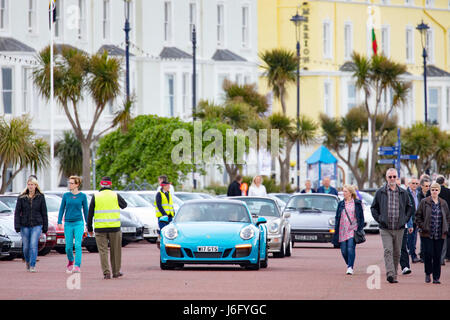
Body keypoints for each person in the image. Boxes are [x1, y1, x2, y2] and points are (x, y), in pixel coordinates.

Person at [371, 168, 413, 284]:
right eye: (390, 177)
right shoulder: (380, 192)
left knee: (397, 252)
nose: (392, 179)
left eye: (394, 176)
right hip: (385, 228)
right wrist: (380, 219)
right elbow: (373, 207)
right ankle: (390, 273)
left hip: (399, 228)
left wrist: (405, 219)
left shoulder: (403, 192)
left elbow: (410, 208)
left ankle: (394, 274)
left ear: (397, 177)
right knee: (388, 250)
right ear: (386, 178)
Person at [87, 177, 127, 279]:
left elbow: (90, 213)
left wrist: (89, 228)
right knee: (116, 251)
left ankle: (106, 272)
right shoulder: (115, 195)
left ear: (101, 184)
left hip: (100, 229)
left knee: (103, 251)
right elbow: (124, 205)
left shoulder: (96, 196)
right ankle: (116, 272)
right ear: (111, 184)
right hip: (114, 228)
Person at [415, 182, 450, 284]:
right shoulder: (424, 202)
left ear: (439, 191)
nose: (434, 191)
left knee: (437, 255)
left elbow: (448, 217)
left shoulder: (443, 203)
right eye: (432, 190)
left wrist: (446, 227)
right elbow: (418, 216)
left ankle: (436, 277)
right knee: (428, 254)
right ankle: (428, 273)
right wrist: (422, 226)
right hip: (427, 233)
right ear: (430, 191)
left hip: (439, 233)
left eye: (436, 190)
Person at [14, 177, 48, 272]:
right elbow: (17, 212)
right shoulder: (21, 197)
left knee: (33, 244)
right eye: (29, 184)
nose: (30, 186)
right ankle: (28, 262)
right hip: (24, 224)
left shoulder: (40, 197)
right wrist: (17, 225)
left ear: (36, 186)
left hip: (37, 224)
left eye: (32, 184)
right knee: (26, 247)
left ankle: (33, 265)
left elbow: (44, 212)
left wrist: (45, 227)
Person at [58, 176, 89, 273]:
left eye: (71, 183)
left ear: (77, 184)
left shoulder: (82, 196)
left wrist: (88, 223)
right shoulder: (66, 195)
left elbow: (86, 210)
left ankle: (77, 265)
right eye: (69, 183)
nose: (69, 185)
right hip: (68, 223)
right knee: (68, 247)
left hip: (78, 223)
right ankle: (71, 261)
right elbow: (62, 209)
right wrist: (59, 221)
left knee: (78, 245)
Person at [332, 185, 365, 275]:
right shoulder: (341, 204)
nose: (344, 193)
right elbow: (337, 217)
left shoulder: (357, 203)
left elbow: (361, 217)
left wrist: (359, 228)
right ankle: (349, 263)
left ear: (350, 193)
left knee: (350, 248)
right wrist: (336, 228)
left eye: (345, 191)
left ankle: (350, 267)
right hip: (342, 230)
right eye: (343, 191)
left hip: (352, 229)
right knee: (343, 250)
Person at [435, 176, 450, 265]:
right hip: (446, 217)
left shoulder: (431, 191)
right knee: (445, 238)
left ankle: (438, 257)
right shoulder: (448, 191)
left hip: (435, 217)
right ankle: (443, 258)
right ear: (444, 182)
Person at [406, 177, 421, 264]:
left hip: (417, 219)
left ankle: (412, 253)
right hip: (410, 219)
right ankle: (413, 255)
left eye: (416, 183)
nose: (415, 185)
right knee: (411, 238)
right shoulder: (406, 193)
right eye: (413, 183)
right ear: (409, 184)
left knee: (414, 238)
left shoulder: (418, 193)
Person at [418, 177, 431, 262]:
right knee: (423, 238)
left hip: (430, 220)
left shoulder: (431, 194)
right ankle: (423, 255)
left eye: (429, 186)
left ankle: (428, 255)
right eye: (426, 186)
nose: (428, 187)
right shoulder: (418, 195)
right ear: (422, 186)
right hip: (422, 220)